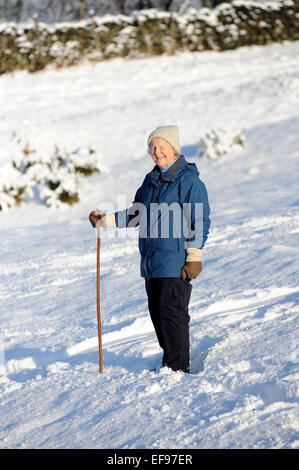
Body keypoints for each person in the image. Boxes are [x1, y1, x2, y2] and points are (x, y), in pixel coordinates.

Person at [89, 125, 211, 373]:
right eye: (152, 147)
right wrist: (105, 220)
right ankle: (171, 360)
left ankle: (177, 367)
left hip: (175, 260)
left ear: (174, 148)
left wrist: (194, 257)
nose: (157, 151)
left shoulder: (188, 181)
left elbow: (200, 220)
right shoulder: (150, 181)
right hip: (151, 261)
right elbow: (136, 214)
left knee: (172, 313)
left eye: (161, 146)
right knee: (157, 313)